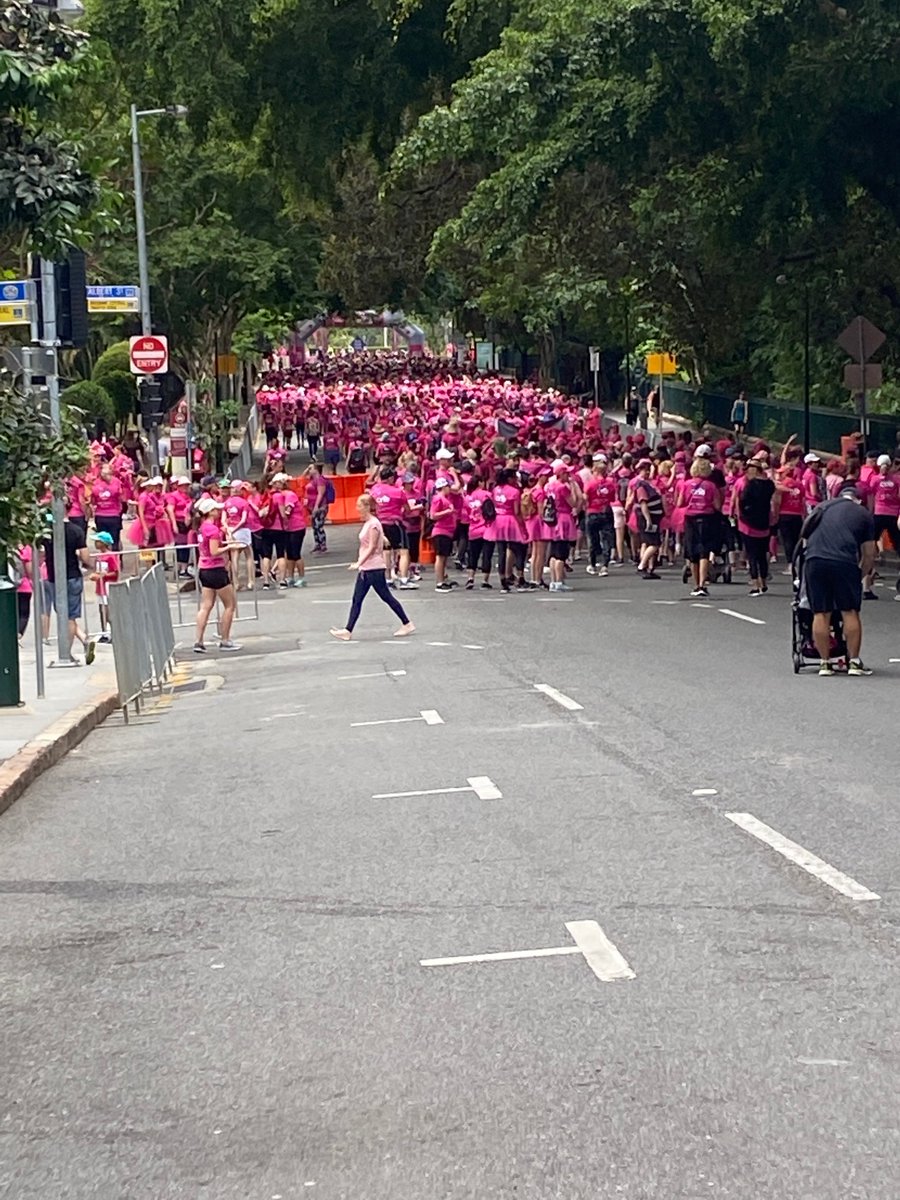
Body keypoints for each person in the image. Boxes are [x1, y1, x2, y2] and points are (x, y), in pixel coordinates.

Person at [802, 483, 876, 676]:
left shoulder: (821, 507)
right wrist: (860, 574)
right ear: (858, 499)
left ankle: (825, 663)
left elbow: (805, 537)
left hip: (814, 561)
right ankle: (854, 662)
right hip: (843, 561)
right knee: (849, 611)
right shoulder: (863, 514)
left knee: (820, 612)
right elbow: (869, 553)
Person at [329, 494, 415, 640]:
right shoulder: (371, 523)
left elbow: (372, 546)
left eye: (359, 506)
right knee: (369, 598)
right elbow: (378, 540)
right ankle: (348, 630)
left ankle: (406, 623)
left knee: (374, 598)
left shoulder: (373, 524)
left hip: (372, 568)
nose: (357, 509)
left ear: (367, 507)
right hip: (369, 568)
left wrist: (359, 562)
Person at [44, 510, 95, 664]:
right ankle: (83, 640)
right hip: (73, 575)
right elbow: (85, 556)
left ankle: (66, 655)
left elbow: (40, 553)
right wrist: (89, 565)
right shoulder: (76, 530)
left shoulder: (47, 532)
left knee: (64, 615)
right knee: (70, 616)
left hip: (54, 577)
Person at [193, 498, 242, 653]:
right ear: (210, 512)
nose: (218, 511)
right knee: (230, 605)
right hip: (216, 569)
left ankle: (199, 641)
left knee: (206, 605)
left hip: (204, 568)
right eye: (215, 509)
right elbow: (214, 551)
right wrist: (230, 546)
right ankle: (225, 640)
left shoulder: (202, 528)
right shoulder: (212, 530)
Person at [737, 459, 775, 596]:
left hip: (749, 522)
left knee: (752, 554)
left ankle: (755, 583)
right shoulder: (770, 485)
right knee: (762, 554)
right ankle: (763, 581)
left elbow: (742, 501)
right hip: (764, 521)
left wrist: (742, 515)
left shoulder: (751, 484)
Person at [89, 530, 119, 643]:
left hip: (107, 586)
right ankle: (104, 632)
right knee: (101, 610)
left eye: (98, 541)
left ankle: (113, 632)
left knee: (108, 611)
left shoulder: (111, 556)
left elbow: (115, 573)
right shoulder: (98, 556)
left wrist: (103, 576)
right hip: (100, 586)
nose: (95, 543)